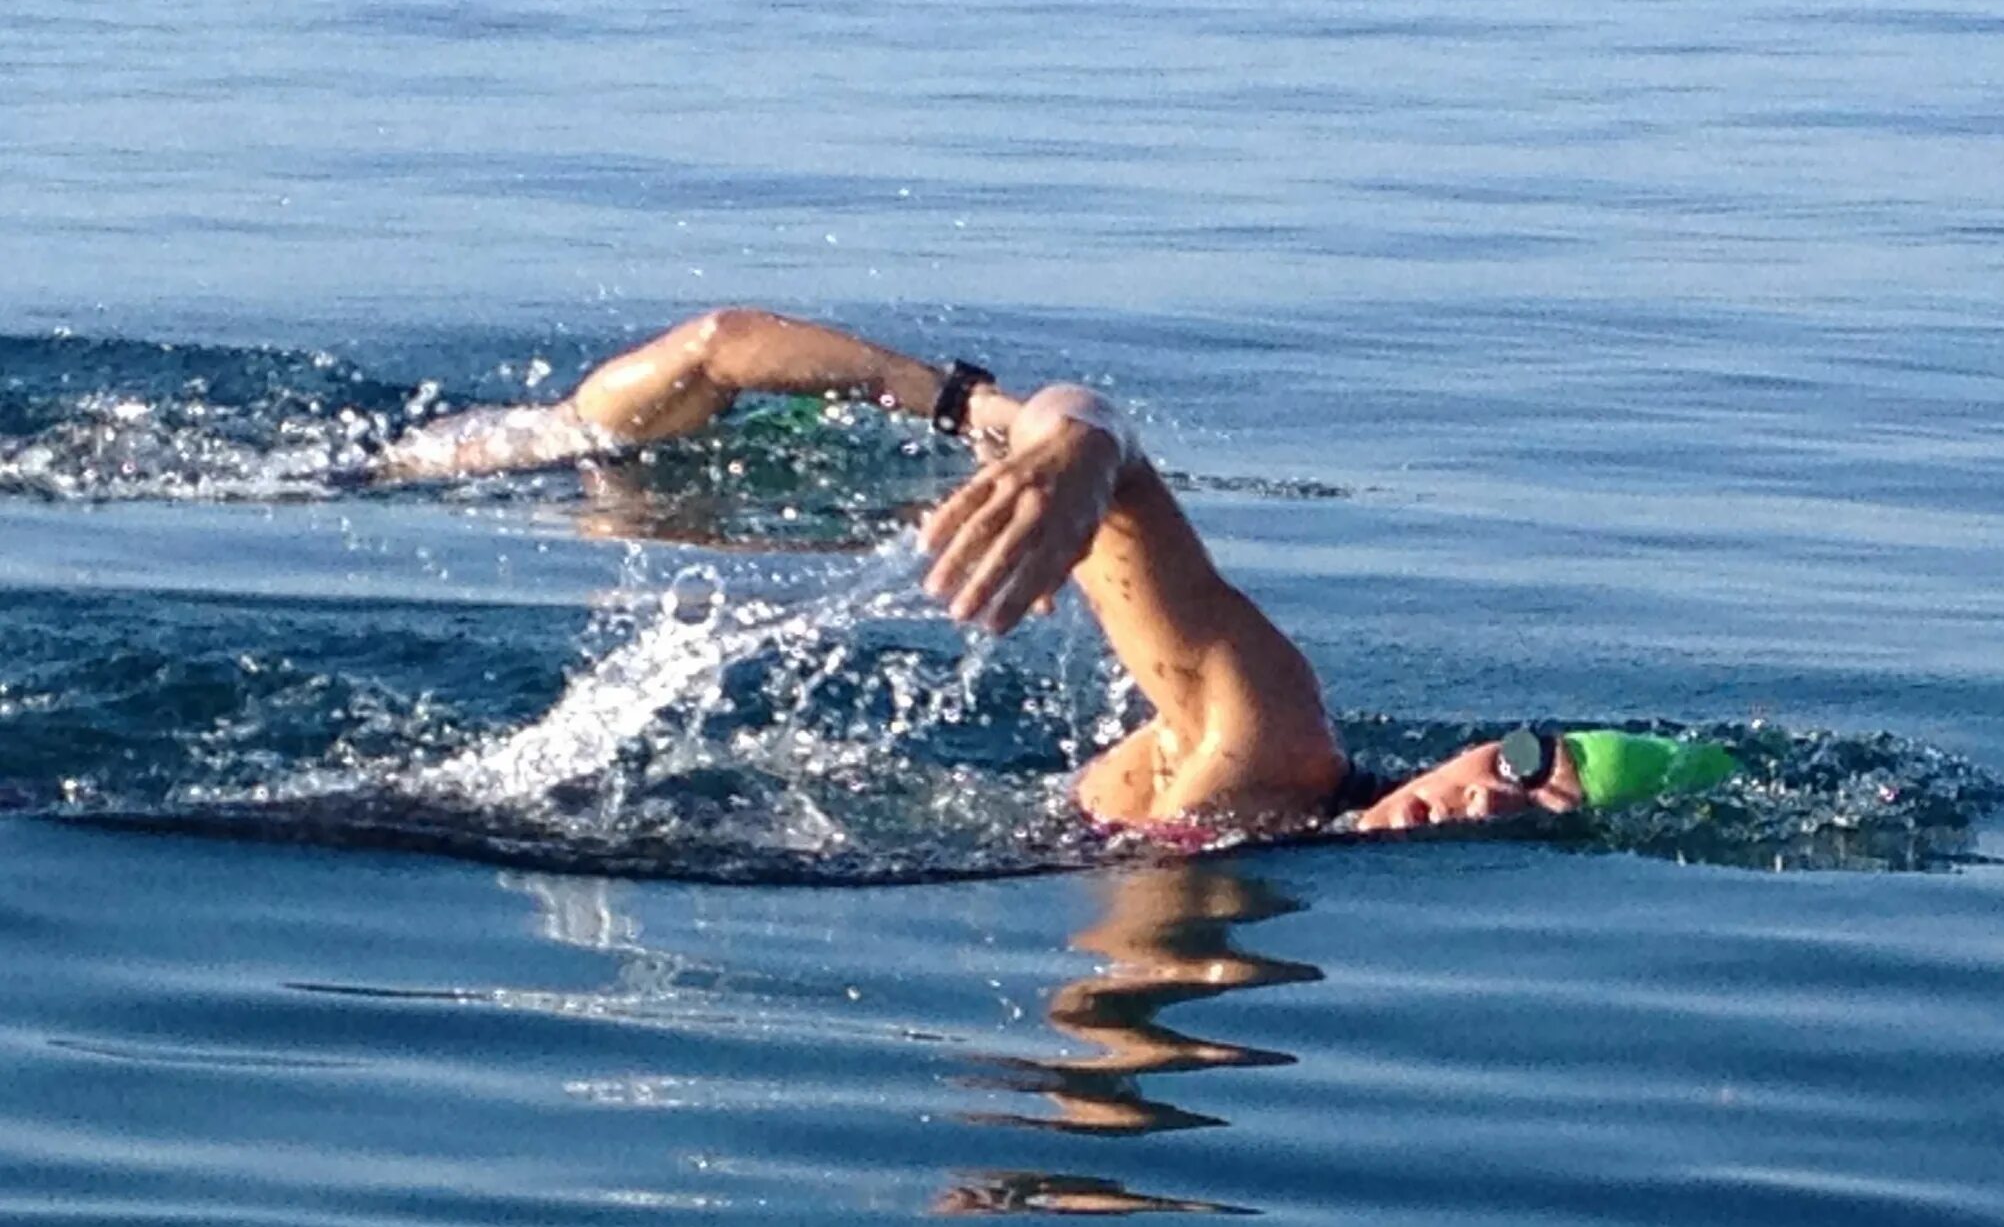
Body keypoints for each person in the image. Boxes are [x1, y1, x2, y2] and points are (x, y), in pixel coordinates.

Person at [378, 308, 1593, 840]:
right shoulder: (1275, 744)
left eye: (1541, 819)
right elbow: (1102, 434)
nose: (1494, 801)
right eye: (1534, 764)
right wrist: (1067, 460)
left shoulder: (1264, 830)